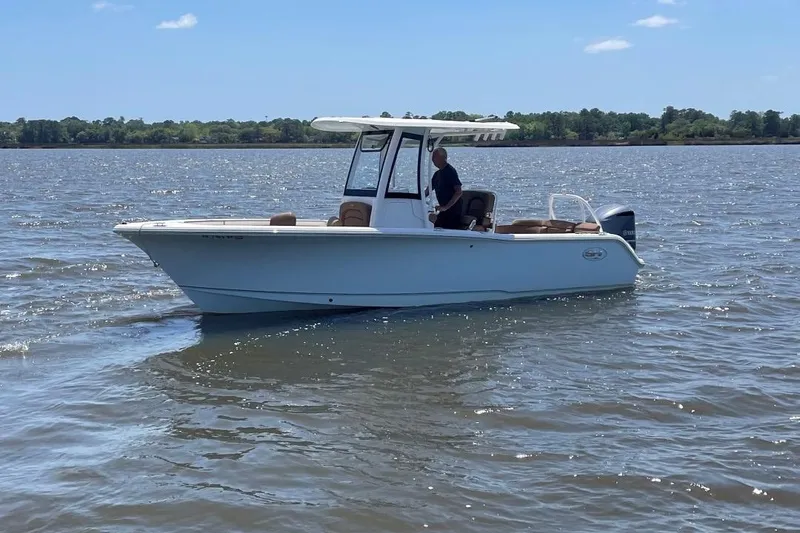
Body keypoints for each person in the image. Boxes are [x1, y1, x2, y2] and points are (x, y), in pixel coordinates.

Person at [426, 147, 463, 229]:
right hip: (443, 211)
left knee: (441, 227)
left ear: (442, 157)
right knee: (435, 226)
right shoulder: (437, 174)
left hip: (453, 211)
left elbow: (459, 192)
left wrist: (445, 207)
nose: (432, 160)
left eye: (434, 157)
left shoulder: (450, 171)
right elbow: (427, 191)